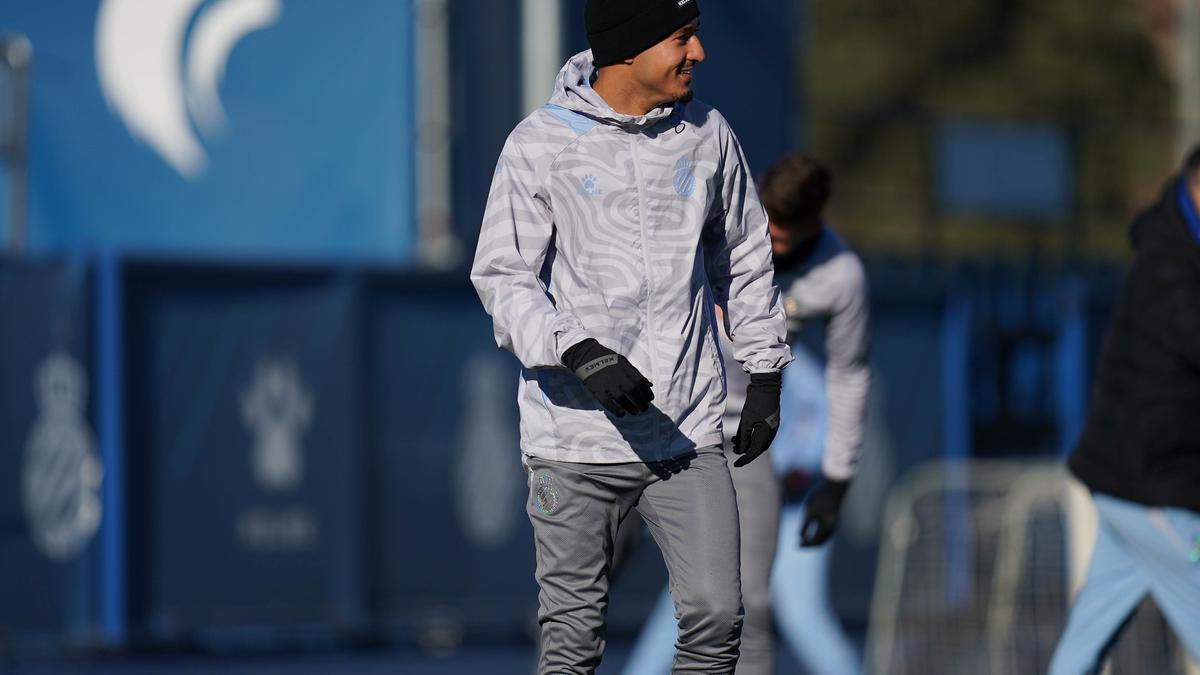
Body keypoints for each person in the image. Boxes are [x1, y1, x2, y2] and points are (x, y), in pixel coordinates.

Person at [469, 1, 793, 672]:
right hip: (572, 441)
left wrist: (764, 371)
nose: (698, 53)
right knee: (571, 644)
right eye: (682, 37)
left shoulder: (709, 134)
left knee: (716, 615)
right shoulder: (540, 143)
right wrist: (578, 349)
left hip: (685, 434)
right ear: (629, 48)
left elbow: (745, 256)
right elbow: (502, 276)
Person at [621, 154, 870, 675]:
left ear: (814, 226)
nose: (769, 251)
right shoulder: (711, 224)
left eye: (781, 243)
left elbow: (848, 374)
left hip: (739, 440)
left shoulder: (838, 275)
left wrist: (837, 478)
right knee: (583, 587)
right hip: (651, 421)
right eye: (765, 234)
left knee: (746, 600)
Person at [1048, 145, 1200, 675]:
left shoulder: (1175, 253)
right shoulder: (1170, 268)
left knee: (1085, 640)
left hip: (1134, 487)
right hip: (1152, 488)